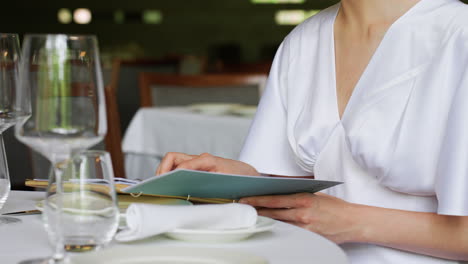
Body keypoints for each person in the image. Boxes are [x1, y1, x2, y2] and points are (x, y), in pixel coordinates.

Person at [156, 0, 468, 263]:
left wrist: (354, 222)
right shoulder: (303, 40)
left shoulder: (459, 34)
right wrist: (234, 177)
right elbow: (295, 188)